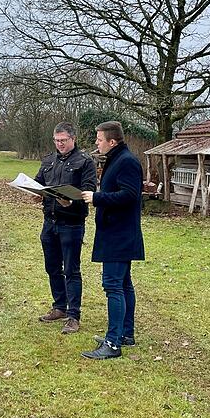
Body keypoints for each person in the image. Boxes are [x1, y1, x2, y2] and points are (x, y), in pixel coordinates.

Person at [80, 121, 144, 359]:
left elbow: (130, 195)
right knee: (124, 284)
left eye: (99, 139)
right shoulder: (119, 158)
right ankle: (125, 334)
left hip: (119, 235)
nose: (97, 143)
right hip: (117, 233)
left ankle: (113, 343)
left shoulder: (126, 161)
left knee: (113, 286)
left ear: (112, 141)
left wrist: (97, 197)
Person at [35, 122, 98, 334]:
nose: (60, 144)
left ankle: (73, 315)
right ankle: (59, 307)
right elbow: (39, 182)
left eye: (63, 141)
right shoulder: (48, 160)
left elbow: (88, 191)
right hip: (49, 221)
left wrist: (72, 202)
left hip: (71, 223)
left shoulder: (85, 161)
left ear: (73, 139)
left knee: (71, 269)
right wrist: (35, 193)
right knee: (52, 267)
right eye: (57, 141)